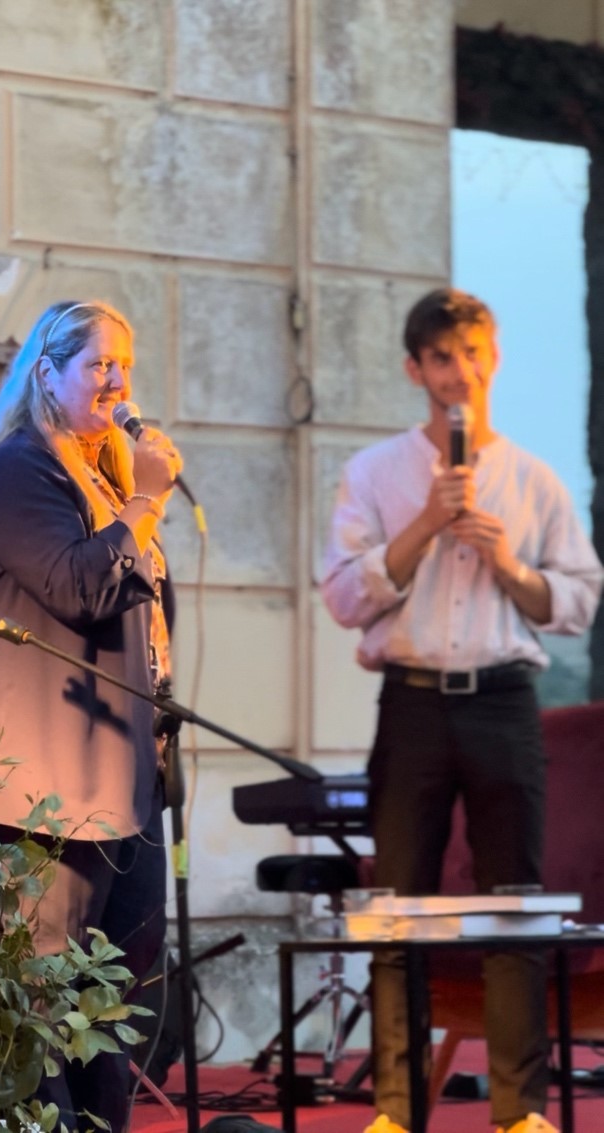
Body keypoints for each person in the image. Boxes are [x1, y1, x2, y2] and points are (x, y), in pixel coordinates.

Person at [321, 287, 603, 1133]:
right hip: (412, 701)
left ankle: (518, 1111)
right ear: (416, 369)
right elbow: (343, 597)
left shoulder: (532, 478)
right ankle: (396, 1109)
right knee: (397, 904)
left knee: (515, 901)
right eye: (442, 358)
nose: (460, 372)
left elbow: (577, 601)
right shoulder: (375, 472)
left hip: (503, 701)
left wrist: (508, 563)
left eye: (473, 353)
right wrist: (423, 525)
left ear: (495, 358)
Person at [0, 299, 182, 1133]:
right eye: (99, 364)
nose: (118, 382)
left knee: (110, 996)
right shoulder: (17, 469)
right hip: (44, 783)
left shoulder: (105, 477)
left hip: (122, 769)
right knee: (46, 992)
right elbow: (80, 586)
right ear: (47, 373)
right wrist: (145, 502)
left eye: (125, 364)